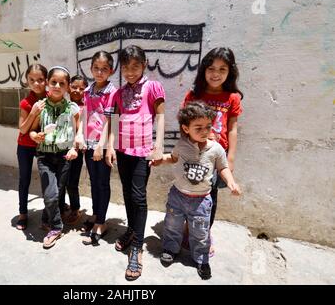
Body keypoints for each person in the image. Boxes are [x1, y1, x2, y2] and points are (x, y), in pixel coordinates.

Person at [152, 101, 241, 280]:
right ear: (186, 129)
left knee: (200, 231)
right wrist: (161, 160)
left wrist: (231, 182)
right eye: (198, 127)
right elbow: (173, 157)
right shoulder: (182, 144)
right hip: (178, 195)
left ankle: (201, 258)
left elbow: (222, 167)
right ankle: (170, 249)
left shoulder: (215, 149)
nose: (204, 131)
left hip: (201, 200)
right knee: (172, 225)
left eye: (208, 127)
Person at [105, 45, 165, 280]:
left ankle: (137, 248)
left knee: (139, 196)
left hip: (142, 152)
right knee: (128, 194)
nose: (130, 72)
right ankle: (131, 230)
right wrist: (110, 146)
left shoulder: (153, 87)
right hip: (122, 150)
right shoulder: (119, 93)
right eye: (126, 67)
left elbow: (160, 116)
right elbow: (114, 122)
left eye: (135, 67)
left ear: (144, 65)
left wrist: (159, 146)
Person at [181, 47, 244, 256]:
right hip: (193, 155)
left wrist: (231, 158)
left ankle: (204, 233)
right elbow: (184, 122)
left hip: (216, 158)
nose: (216, 74)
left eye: (222, 69)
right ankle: (189, 229)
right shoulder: (194, 95)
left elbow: (233, 129)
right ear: (203, 70)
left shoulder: (232, 97)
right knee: (189, 194)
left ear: (230, 72)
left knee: (210, 197)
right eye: (211, 68)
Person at [29, 66, 80, 249]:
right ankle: (57, 227)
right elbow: (32, 130)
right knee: (50, 195)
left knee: (58, 193)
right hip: (45, 156)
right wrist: (35, 136)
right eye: (53, 82)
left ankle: (47, 218)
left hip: (64, 156)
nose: (57, 86)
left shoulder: (73, 108)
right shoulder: (40, 106)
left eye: (62, 83)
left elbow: (79, 131)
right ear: (48, 84)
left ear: (67, 87)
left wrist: (75, 147)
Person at [80, 51, 117, 246]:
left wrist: (101, 147)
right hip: (88, 143)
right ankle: (95, 215)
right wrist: (80, 136)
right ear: (91, 69)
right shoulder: (88, 90)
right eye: (96, 68)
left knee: (103, 183)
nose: (99, 72)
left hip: (102, 145)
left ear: (111, 70)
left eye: (104, 69)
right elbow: (85, 113)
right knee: (94, 182)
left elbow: (111, 120)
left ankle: (102, 222)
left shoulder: (112, 92)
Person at [16, 64, 47, 230]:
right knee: (25, 179)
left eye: (40, 80)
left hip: (44, 145)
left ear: (46, 80)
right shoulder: (26, 102)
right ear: (27, 82)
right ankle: (22, 213)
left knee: (48, 179)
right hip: (25, 146)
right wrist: (34, 112)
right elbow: (22, 129)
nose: (37, 84)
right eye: (32, 80)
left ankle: (49, 213)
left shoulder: (52, 98)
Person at [59, 74, 88, 226]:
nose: (77, 90)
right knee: (60, 182)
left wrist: (76, 147)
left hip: (75, 152)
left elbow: (82, 132)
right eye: (74, 87)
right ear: (68, 87)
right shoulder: (62, 104)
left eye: (81, 88)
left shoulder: (85, 108)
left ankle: (75, 209)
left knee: (72, 183)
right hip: (60, 150)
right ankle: (62, 206)